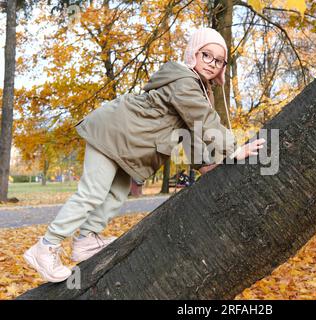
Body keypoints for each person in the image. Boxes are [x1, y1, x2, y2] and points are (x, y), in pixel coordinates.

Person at [23, 27, 265, 282]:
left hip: (124, 142)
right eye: (206, 55)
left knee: (116, 193)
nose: (211, 64)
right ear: (193, 54)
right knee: (93, 192)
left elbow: (191, 129)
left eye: (218, 61)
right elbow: (203, 121)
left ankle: (85, 240)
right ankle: (46, 247)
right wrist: (234, 149)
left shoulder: (197, 88)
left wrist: (204, 164)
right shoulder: (184, 81)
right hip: (112, 132)